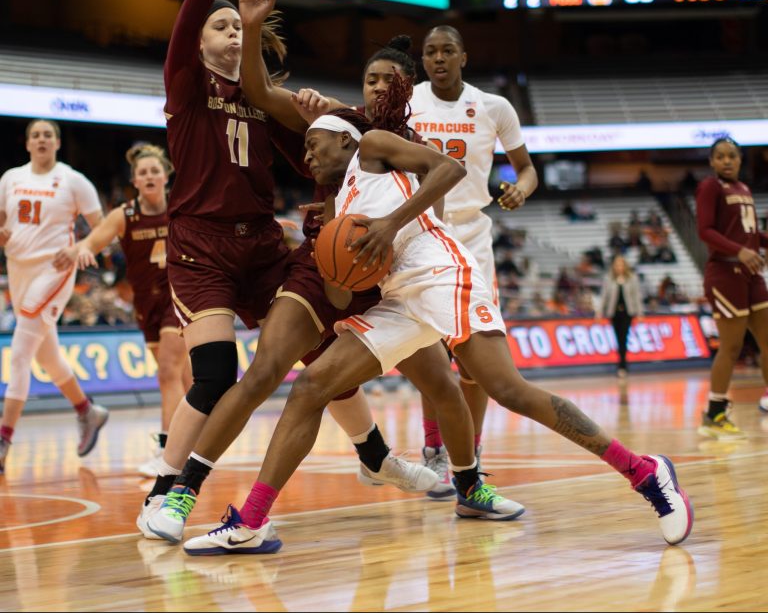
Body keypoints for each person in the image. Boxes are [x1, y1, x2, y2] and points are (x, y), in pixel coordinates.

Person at [182, 115, 693, 555]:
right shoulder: (338, 206)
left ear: (344, 140)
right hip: (400, 299)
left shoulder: (374, 147)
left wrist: (387, 224)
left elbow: (450, 169)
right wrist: (326, 245)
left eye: (314, 144)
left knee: (507, 389)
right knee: (313, 386)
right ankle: (251, 522)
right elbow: (339, 297)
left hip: (445, 273)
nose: (308, 156)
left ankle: (644, 472)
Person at [141, 0, 489, 541]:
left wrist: (354, 209)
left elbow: (383, 186)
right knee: (237, 373)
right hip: (214, 245)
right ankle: (172, 491)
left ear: (408, 86)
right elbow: (272, 105)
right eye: (370, 78)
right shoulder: (220, 91)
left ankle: (434, 474)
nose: (377, 87)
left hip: (353, 267)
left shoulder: (389, 136)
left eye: (387, 80)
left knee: (430, 379)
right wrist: (254, 21)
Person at [134, 0, 317, 533]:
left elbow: (310, 164)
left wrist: (327, 124)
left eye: (238, 26)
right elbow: (184, 25)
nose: (231, 31)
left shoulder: (267, 98)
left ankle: (376, 456)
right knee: (215, 373)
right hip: (202, 244)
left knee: (316, 353)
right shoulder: (186, 83)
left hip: (263, 244)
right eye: (222, 24)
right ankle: (163, 492)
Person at [408, 24, 538, 497]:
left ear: (463, 56)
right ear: (422, 60)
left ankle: (473, 455)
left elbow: (526, 169)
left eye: (447, 51)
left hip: (472, 238)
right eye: (430, 52)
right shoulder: (408, 101)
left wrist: (519, 191)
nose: (438, 59)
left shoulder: (493, 107)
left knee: (475, 363)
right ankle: (434, 451)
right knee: (427, 355)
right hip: (420, 235)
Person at [59, 144, 191, 476]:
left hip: (180, 297)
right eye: (142, 172)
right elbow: (93, 241)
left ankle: (167, 453)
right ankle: (196, 444)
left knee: (167, 373)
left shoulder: (181, 206)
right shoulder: (124, 215)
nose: (148, 175)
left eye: (154, 170)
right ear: (134, 179)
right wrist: (83, 250)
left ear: (165, 176)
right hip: (146, 303)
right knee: (185, 378)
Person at [0, 119, 108, 473]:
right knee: (47, 356)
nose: (42, 139)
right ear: (27, 143)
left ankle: (3, 439)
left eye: (48, 134)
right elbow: (3, 222)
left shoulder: (74, 180)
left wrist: (79, 248)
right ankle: (87, 411)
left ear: (57, 143)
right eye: (36, 135)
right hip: (18, 269)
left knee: (19, 354)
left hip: (55, 270)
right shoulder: (10, 178)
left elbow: (105, 228)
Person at [695, 137, 768, 438]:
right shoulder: (711, 187)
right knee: (732, 346)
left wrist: (760, 243)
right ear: (712, 162)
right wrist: (740, 251)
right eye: (721, 156)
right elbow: (705, 231)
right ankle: (715, 412)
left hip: (751, 274)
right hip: (725, 273)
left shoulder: (744, 189)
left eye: (732, 156)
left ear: (740, 160)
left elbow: (750, 234)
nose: (727, 161)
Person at [599, 255, 643, 378]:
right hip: (614, 313)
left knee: (624, 338)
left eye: (621, 264)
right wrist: (600, 311)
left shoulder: (632, 278)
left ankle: (622, 366)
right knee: (618, 339)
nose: (619, 267)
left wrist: (639, 312)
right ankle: (621, 364)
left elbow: (636, 296)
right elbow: (604, 296)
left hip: (627, 313)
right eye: (617, 264)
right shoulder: (609, 279)